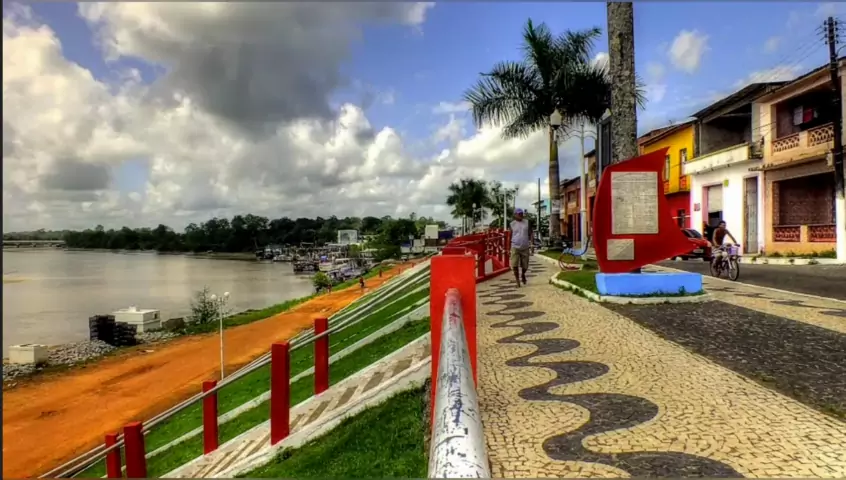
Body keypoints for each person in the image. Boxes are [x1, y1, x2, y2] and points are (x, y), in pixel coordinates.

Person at [510, 208, 532, 287]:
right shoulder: (512, 224)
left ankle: (523, 274)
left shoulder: (527, 222)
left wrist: (532, 244)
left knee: (525, 266)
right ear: (515, 215)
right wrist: (507, 248)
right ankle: (517, 281)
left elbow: (531, 233)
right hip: (515, 246)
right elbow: (510, 235)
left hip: (525, 246)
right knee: (514, 264)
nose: (521, 215)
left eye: (521, 214)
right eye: (519, 214)